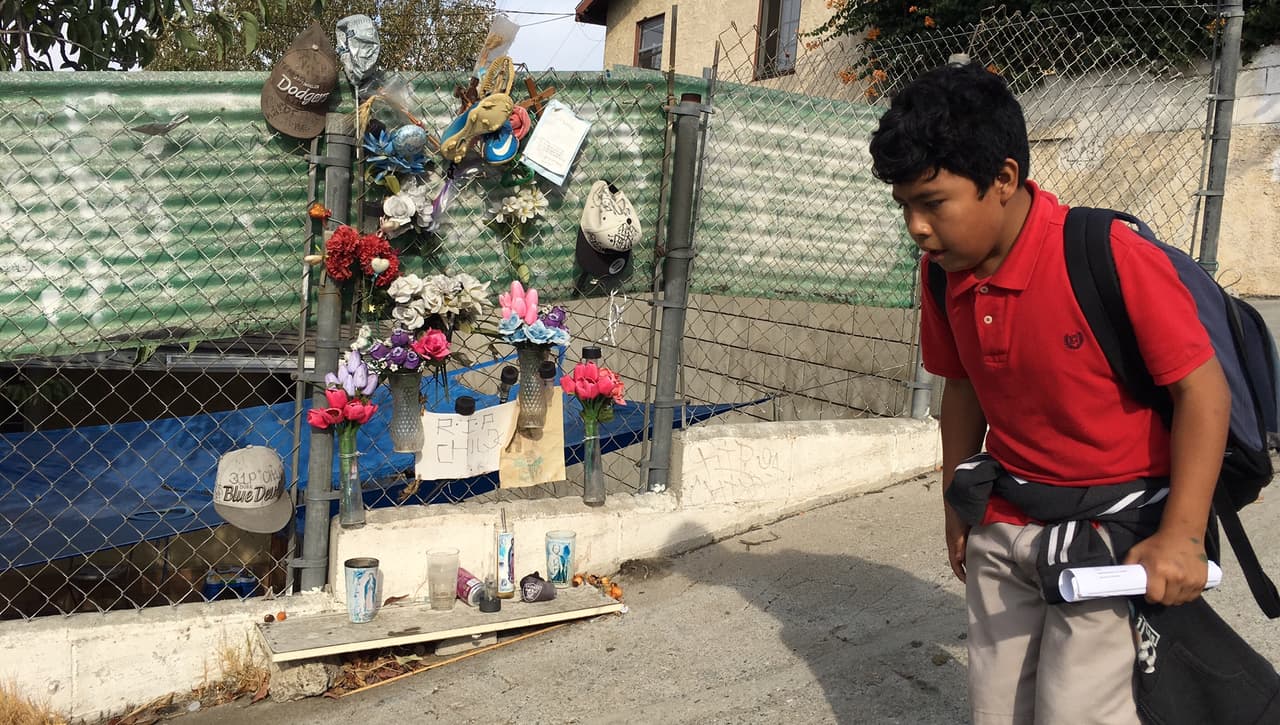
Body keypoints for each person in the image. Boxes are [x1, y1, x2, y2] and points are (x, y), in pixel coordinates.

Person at [868, 60, 1231, 724]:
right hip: (1007, 523)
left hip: (1111, 537)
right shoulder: (945, 276)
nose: (916, 228)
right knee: (997, 708)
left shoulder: (1107, 255)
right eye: (905, 207)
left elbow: (1203, 391)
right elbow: (963, 388)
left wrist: (1181, 535)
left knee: (1075, 710)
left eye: (932, 202)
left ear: (1003, 180)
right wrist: (958, 505)